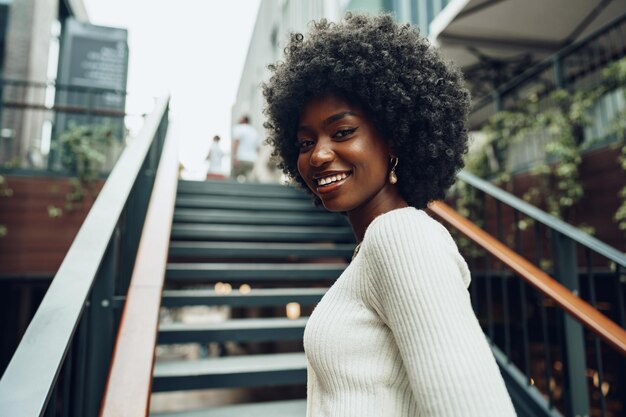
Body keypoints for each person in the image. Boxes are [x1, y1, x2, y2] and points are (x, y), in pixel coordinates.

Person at [262, 13, 517, 416]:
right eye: (305, 141)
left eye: (342, 131)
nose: (319, 155)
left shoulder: (401, 237)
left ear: (395, 135)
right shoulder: (373, 247)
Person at [231, 115, 259, 181]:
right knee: (248, 181)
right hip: (252, 160)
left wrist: (234, 157)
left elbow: (236, 143)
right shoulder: (254, 131)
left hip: (240, 159)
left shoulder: (239, 128)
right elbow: (257, 148)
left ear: (244, 120)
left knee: (233, 179)